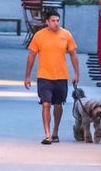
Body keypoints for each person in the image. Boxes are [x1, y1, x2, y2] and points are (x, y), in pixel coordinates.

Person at [24, 10, 79, 145]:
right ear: (47, 21)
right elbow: (31, 56)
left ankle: (55, 131)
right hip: (44, 76)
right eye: (53, 20)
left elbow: (73, 54)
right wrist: (27, 76)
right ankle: (47, 135)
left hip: (61, 76)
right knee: (46, 104)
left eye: (57, 20)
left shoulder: (66, 35)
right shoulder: (39, 36)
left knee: (58, 105)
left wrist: (76, 73)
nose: (56, 23)